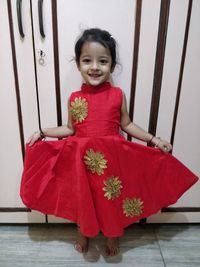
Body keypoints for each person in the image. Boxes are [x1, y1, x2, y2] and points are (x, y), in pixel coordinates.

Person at [20, 28, 198, 257]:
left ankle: (113, 235)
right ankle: (83, 231)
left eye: (102, 61)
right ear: (78, 65)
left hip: (112, 161)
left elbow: (128, 125)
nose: (95, 67)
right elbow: (70, 129)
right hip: (81, 162)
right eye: (87, 60)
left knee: (112, 199)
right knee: (83, 198)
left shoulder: (117, 95)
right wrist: (42, 131)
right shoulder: (75, 98)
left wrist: (154, 139)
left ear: (112, 66)